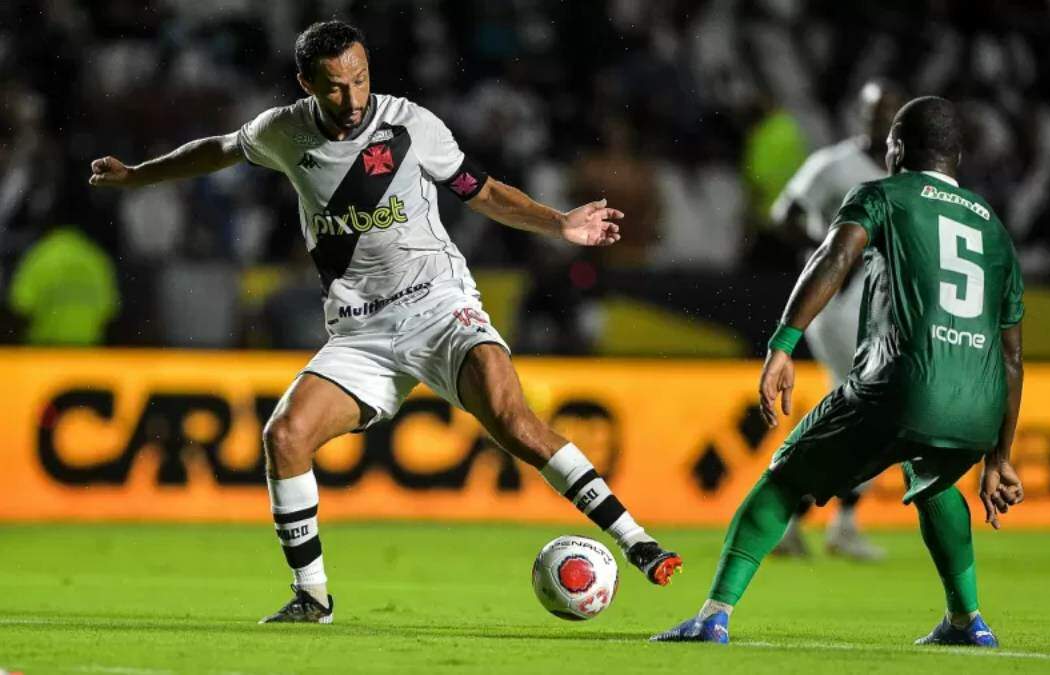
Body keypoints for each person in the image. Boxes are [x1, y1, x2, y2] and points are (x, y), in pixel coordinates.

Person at [88, 20, 681, 624]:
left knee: (513, 421)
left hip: (441, 306)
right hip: (361, 334)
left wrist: (557, 223)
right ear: (306, 84)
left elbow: (482, 191)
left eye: (360, 80)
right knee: (283, 438)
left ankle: (637, 541)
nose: (351, 99)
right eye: (334, 88)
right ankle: (312, 598)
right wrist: (139, 175)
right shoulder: (283, 131)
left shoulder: (410, 125)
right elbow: (217, 149)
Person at [652, 97, 1025, 647]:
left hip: (899, 383)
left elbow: (834, 257)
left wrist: (783, 342)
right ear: (958, 156)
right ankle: (967, 621)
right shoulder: (993, 226)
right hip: (979, 400)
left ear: (895, 148)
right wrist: (1001, 457)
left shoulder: (882, 193)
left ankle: (713, 615)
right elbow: (1012, 355)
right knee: (936, 482)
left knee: (783, 479)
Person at [766, 80, 904, 561]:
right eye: (874, 109)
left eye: (890, 109)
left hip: (883, 315)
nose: (881, 118)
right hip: (841, 306)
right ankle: (803, 517)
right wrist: (824, 253)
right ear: (859, 114)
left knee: (853, 417)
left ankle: (810, 518)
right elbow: (782, 215)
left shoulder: (909, 175)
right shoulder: (832, 165)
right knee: (873, 413)